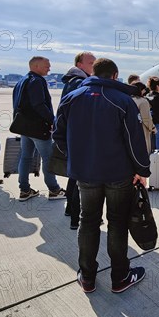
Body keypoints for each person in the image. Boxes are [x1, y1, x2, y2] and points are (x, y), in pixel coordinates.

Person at [53, 58, 151, 294]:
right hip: (118, 173)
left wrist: (77, 157)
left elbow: (58, 135)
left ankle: (87, 276)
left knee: (88, 221)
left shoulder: (71, 97)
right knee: (117, 223)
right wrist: (142, 170)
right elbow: (134, 140)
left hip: (85, 173)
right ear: (115, 76)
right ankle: (120, 277)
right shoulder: (122, 100)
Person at [12, 56, 65, 201]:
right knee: (48, 158)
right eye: (47, 66)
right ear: (36, 66)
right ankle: (54, 190)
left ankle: (24, 190)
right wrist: (52, 121)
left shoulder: (22, 81)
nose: (49, 68)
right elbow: (39, 105)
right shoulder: (37, 81)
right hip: (37, 128)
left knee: (26, 157)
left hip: (24, 127)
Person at [60, 52, 96, 228]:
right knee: (79, 179)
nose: (94, 65)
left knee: (74, 175)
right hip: (80, 137)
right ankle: (76, 216)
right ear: (80, 65)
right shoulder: (79, 83)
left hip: (73, 135)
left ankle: (70, 209)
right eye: (91, 62)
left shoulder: (72, 81)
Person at [131, 81, 155, 153]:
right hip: (141, 129)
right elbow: (146, 118)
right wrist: (152, 128)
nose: (145, 91)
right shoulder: (143, 101)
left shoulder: (128, 99)